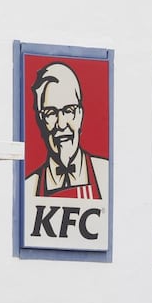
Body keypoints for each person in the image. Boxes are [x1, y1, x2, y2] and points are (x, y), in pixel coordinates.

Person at [26, 62, 108, 200]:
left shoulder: (106, 174)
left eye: (68, 110)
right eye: (51, 113)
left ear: (80, 114)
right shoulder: (28, 187)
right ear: (41, 119)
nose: (61, 124)